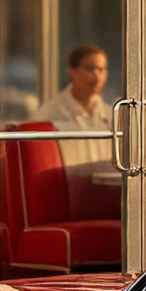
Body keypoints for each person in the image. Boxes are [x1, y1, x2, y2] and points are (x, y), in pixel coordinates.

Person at [33, 42, 116, 192]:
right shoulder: (50, 114)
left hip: (107, 193)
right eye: (90, 68)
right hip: (66, 193)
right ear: (72, 71)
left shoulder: (112, 115)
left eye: (101, 69)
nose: (97, 75)